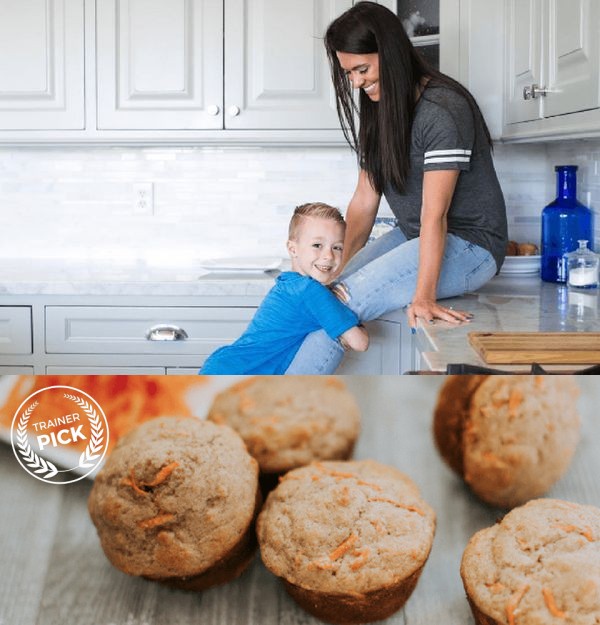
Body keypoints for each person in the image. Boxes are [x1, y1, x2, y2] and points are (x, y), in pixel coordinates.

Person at [285, 1, 507, 374]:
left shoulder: (442, 109)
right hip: (414, 235)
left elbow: (434, 215)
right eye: (348, 73)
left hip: (473, 246)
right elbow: (363, 202)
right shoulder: (380, 108)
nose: (354, 82)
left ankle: (275, 414)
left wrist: (424, 295)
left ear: (389, 54)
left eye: (361, 69)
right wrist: (333, 266)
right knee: (321, 294)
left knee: (336, 307)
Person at [200, 203, 368, 374]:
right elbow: (360, 343)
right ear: (292, 249)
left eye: (337, 247)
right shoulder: (309, 289)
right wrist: (356, 321)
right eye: (317, 245)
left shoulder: (289, 283)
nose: (328, 256)